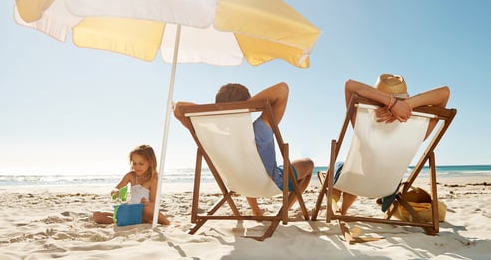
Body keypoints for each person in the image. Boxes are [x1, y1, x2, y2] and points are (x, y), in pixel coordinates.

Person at [174, 82, 314, 216]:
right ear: (248, 103)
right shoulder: (261, 129)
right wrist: (247, 107)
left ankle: (256, 210)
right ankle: (284, 211)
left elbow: (178, 108)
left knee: (244, 165)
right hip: (272, 183)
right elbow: (282, 89)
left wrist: (217, 112)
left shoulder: (210, 133)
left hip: (237, 184)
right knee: (309, 164)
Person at [331, 74, 450, 215]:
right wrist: (406, 105)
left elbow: (350, 85)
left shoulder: (363, 119)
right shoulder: (419, 129)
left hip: (355, 182)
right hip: (386, 188)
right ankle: (340, 208)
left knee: (344, 167)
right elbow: (445, 93)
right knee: (355, 170)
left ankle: (337, 205)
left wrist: (392, 103)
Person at [93, 144, 170, 225]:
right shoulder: (131, 176)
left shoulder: (153, 179)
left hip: (144, 212)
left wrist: (146, 203)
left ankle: (166, 222)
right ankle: (126, 221)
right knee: (96, 215)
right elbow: (114, 190)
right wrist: (116, 192)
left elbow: (154, 203)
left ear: (150, 163)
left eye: (141, 164)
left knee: (148, 209)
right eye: (134, 163)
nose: (137, 167)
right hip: (132, 212)